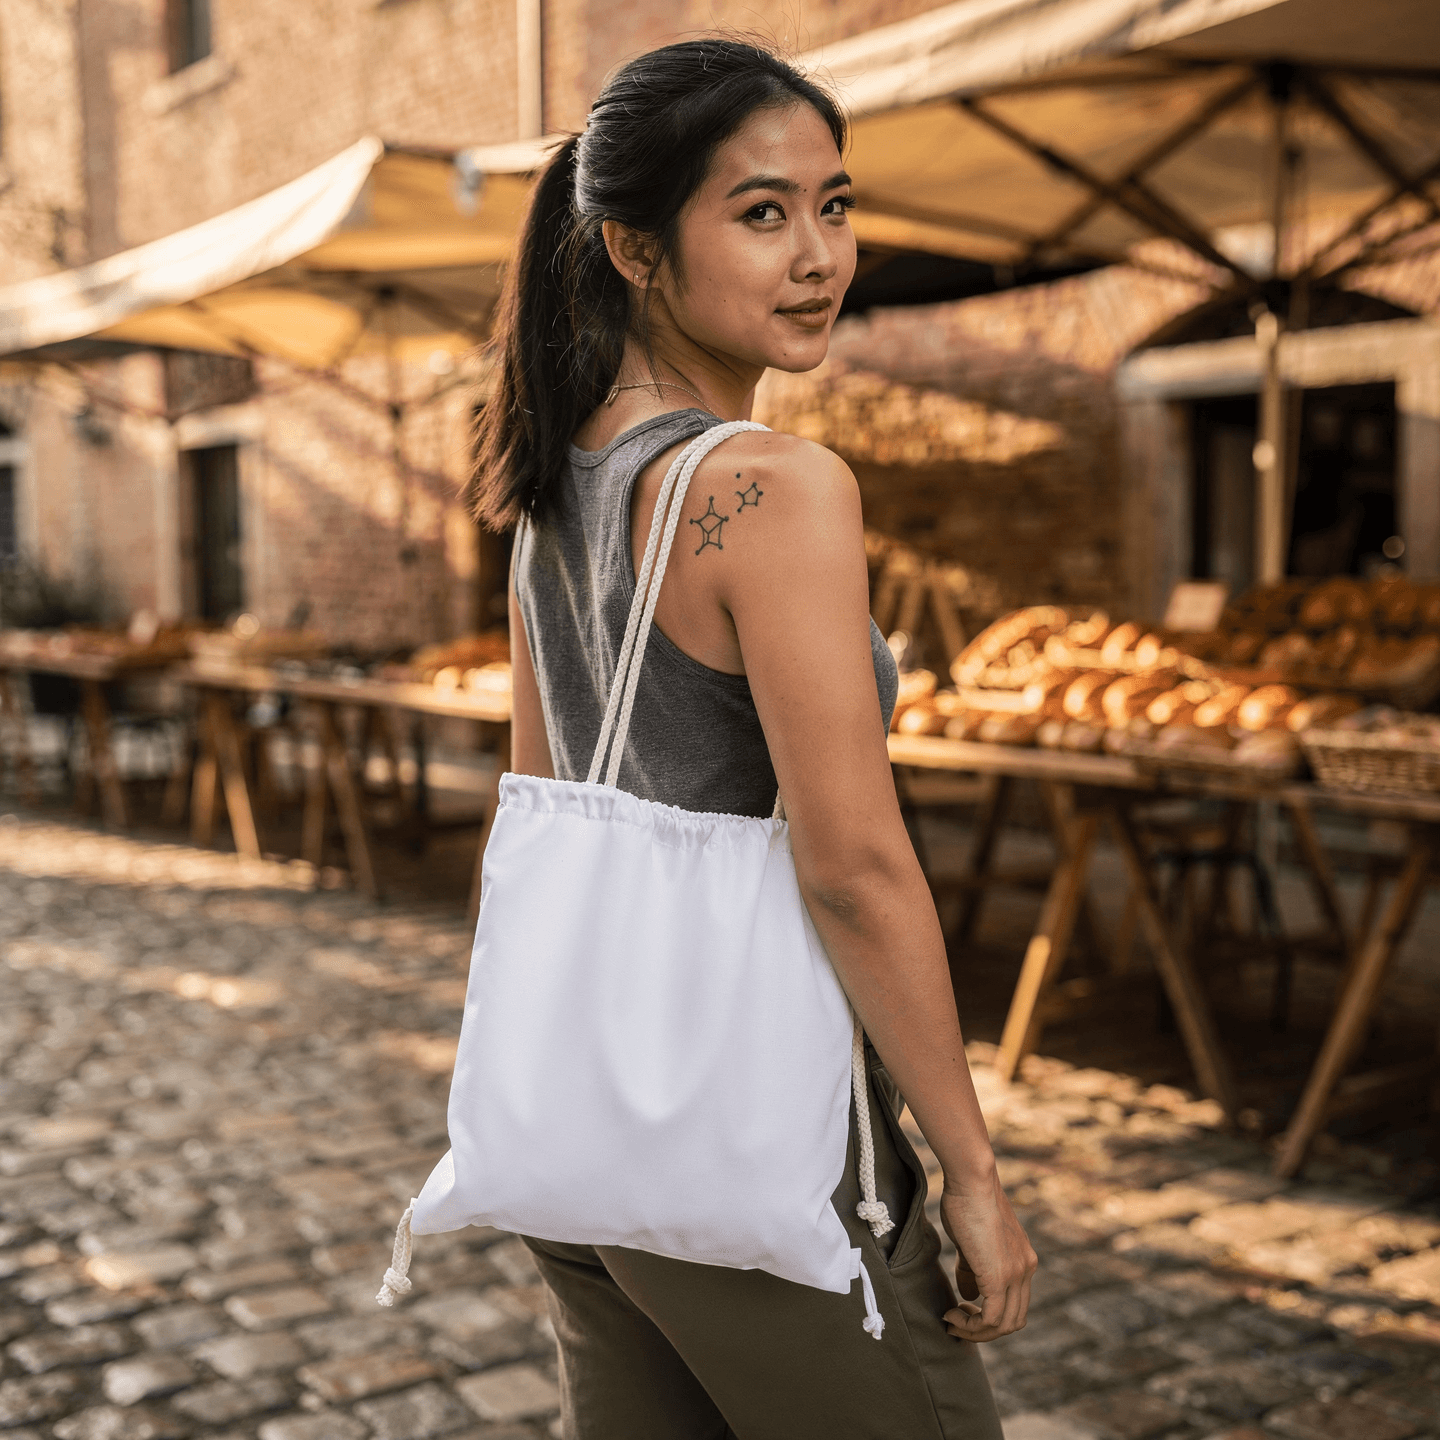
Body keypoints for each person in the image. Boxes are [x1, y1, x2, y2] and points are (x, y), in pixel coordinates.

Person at [466, 37, 1035, 1439]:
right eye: (761, 212)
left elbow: (539, 812)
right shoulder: (776, 487)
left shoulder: (552, 481)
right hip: (759, 1135)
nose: (818, 255)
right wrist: (967, 1164)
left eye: (835, 206)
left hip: (591, 1122)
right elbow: (854, 864)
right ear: (635, 250)